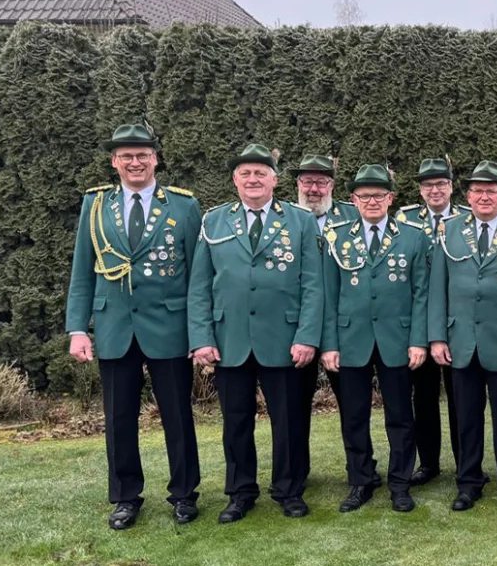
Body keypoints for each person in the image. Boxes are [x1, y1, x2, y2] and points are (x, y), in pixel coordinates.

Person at [66, 122, 202, 529]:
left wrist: (200, 333)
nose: (135, 162)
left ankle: (183, 494)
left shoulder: (183, 206)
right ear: (114, 162)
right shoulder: (95, 205)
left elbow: (198, 277)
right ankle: (126, 497)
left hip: (169, 327)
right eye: (126, 156)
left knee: (178, 416)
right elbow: (82, 273)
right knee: (119, 419)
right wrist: (77, 328)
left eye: (142, 154)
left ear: (155, 158)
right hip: (114, 327)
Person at [188, 144, 323, 522]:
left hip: (283, 338)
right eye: (245, 173)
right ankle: (240, 492)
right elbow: (200, 285)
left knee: (289, 421)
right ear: (235, 180)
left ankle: (289, 489)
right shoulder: (213, 221)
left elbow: (313, 285)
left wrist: (307, 335)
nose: (252, 179)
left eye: (260, 173)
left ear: (275, 180)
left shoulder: (300, 221)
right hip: (231, 339)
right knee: (236, 420)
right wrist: (201, 337)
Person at [429, 160, 497, 512]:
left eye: (491, 191)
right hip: (461, 341)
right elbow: (438, 289)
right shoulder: (448, 231)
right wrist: (436, 337)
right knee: (466, 418)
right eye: (477, 190)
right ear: (468, 195)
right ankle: (469, 483)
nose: (483, 197)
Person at [320, 164, 429, 513]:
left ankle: (400, 484)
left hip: (396, 339)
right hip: (352, 339)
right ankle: (361, 481)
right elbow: (328, 295)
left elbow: (421, 294)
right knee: (354, 416)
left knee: (400, 415)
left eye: (378, 195)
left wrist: (418, 340)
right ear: (353, 199)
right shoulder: (336, 236)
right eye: (364, 196)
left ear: (391, 198)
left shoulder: (413, 236)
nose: (371, 201)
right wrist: (330, 344)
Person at [290, 153, 363, 489]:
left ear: (333, 185)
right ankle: (296, 472)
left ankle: (360, 471)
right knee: (293, 407)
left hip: (341, 329)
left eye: (321, 181)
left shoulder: (353, 216)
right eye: (308, 181)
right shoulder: (285, 218)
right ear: (297, 185)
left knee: (352, 405)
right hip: (297, 328)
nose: (314, 188)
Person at [397, 157, 471, 484]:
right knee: (423, 397)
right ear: (420, 189)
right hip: (419, 319)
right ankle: (428, 463)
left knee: (461, 398)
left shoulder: (468, 219)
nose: (435, 190)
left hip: (457, 320)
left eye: (441, 184)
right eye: (428, 185)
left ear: (451, 187)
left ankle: (465, 461)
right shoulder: (405, 219)